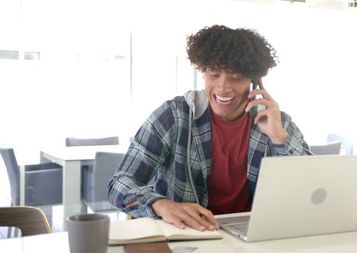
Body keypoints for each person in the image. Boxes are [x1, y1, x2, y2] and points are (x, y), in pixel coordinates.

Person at [108, 24, 311, 232]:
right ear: (203, 72)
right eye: (214, 75)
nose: (223, 87)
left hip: (252, 238)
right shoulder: (174, 116)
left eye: (236, 77)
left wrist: (280, 139)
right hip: (188, 236)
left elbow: (311, 192)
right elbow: (119, 183)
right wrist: (161, 205)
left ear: (255, 81)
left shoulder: (277, 123)